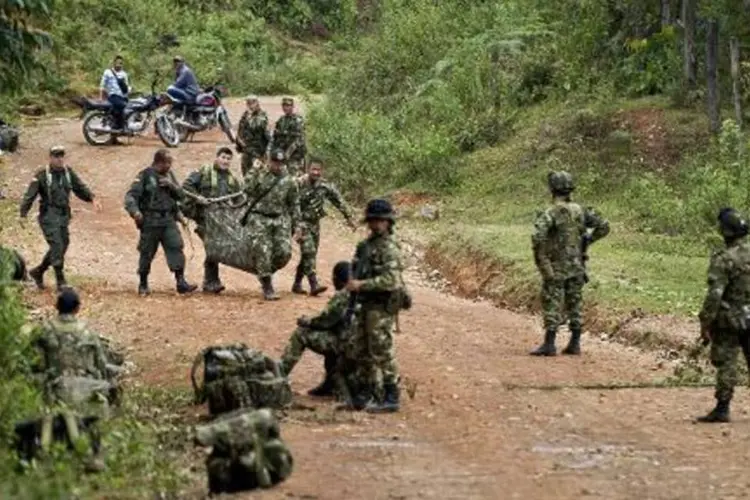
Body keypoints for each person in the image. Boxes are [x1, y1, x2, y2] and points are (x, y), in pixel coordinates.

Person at [529, 171, 609, 357]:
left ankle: (549, 343)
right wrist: (588, 239)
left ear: (552, 189)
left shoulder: (551, 212)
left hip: (556, 267)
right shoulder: (580, 210)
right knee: (575, 302)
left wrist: (541, 258)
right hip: (577, 265)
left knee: (552, 301)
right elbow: (604, 225)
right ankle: (575, 342)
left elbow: (537, 236)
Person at [343, 199, 405, 413]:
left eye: (380, 221)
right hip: (365, 304)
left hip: (381, 305)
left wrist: (362, 284)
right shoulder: (366, 245)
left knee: (381, 349)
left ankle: (391, 395)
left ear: (388, 222)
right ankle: (364, 393)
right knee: (361, 348)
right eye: (372, 220)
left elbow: (392, 280)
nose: (375, 225)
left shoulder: (389, 248)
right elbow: (356, 268)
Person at [20, 146, 102, 290]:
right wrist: (23, 214)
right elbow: (30, 195)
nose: (59, 159)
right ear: (50, 158)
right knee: (57, 245)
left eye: (61, 156)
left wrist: (92, 198)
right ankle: (60, 279)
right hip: (48, 215)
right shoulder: (42, 175)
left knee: (63, 244)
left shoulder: (67, 172)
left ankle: (38, 271)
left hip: (63, 214)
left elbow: (79, 187)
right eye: (56, 156)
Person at [696, 208, 750, 423]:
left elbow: (715, 295)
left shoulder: (724, 259)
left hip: (730, 318)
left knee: (727, 361)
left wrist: (705, 321)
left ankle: (722, 407)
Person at [124, 148, 197, 296]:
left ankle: (180, 281)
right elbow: (130, 196)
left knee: (176, 247)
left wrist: (172, 186)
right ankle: (143, 283)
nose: (170, 166)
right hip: (150, 221)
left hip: (168, 219)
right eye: (168, 163)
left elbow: (181, 196)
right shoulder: (144, 175)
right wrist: (135, 212)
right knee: (146, 252)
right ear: (159, 162)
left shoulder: (169, 176)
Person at [279, 261, 353, 396]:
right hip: (366, 345)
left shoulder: (344, 295)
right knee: (333, 336)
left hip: (347, 345)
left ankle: (278, 376)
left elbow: (324, 321)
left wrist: (307, 321)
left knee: (301, 334)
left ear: (337, 279)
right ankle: (330, 384)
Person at [243, 149, 301, 300]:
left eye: (280, 163)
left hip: (279, 219)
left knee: (285, 253)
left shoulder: (289, 180)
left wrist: (298, 226)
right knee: (263, 250)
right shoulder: (260, 174)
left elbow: (294, 204)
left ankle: (264, 271)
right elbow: (247, 189)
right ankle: (267, 285)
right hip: (259, 217)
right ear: (269, 161)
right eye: (275, 162)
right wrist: (254, 170)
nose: (278, 166)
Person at [182, 147, 242, 293]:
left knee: (217, 248)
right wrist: (198, 198)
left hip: (222, 221)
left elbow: (238, 199)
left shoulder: (232, 179)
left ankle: (211, 281)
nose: (225, 161)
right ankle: (211, 281)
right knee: (212, 247)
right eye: (223, 157)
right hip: (204, 219)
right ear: (216, 158)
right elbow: (186, 185)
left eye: (228, 159)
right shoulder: (204, 171)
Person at [293, 158, 356, 295]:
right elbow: (290, 204)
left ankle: (297, 283)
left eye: (318, 170)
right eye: (313, 169)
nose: (316, 172)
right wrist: (295, 225)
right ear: (307, 169)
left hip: (315, 224)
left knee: (309, 255)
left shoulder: (324, 186)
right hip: (300, 223)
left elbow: (338, 201)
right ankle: (314, 284)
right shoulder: (298, 184)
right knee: (308, 251)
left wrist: (349, 217)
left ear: (322, 171)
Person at [270, 97, 306, 175]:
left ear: (292, 106)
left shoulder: (298, 120)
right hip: (282, 156)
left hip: (294, 157)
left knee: (295, 178)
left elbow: (299, 140)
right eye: (284, 105)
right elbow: (275, 137)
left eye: (288, 105)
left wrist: (287, 154)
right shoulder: (281, 120)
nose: (286, 108)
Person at [236, 95, 270, 176]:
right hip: (246, 150)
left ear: (257, 103)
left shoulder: (262, 115)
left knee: (257, 174)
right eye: (248, 103)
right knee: (246, 174)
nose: (250, 105)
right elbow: (240, 128)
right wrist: (239, 141)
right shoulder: (246, 114)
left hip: (258, 152)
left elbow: (257, 125)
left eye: (252, 103)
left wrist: (249, 116)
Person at [99, 55, 130, 135]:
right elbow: (102, 85)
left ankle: (122, 127)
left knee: (130, 108)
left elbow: (126, 87)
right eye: (117, 63)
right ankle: (120, 127)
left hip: (121, 96)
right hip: (112, 96)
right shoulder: (108, 72)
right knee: (122, 105)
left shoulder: (124, 74)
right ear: (114, 63)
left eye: (121, 63)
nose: (119, 65)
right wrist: (101, 97)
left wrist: (127, 95)